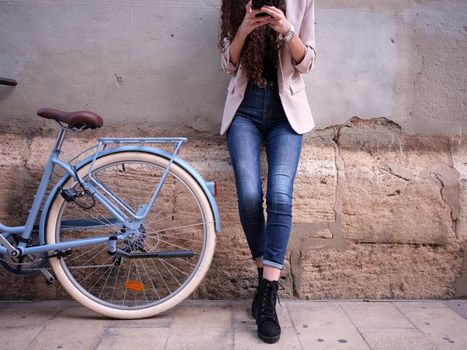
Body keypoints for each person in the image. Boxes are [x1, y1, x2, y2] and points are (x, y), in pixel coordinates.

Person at [218, 0, 317, 344]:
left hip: (285, 113)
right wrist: (245, 27)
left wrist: (285, 29)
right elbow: (227, 65)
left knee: (278, 195)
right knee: (248, 195)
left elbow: (308, 63)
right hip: (244, 110)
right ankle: (265, 280)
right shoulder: (234, 3)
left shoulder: (301, 1)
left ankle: (268, 296)